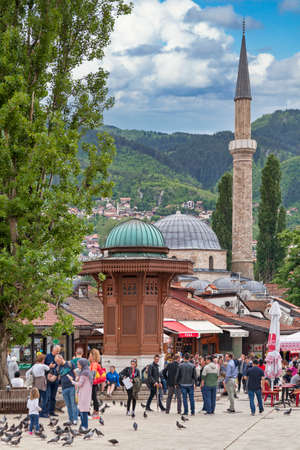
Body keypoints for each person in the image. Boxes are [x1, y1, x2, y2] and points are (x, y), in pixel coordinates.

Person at [68, 358, 93, 431]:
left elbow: (80, 384)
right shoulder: (87, 372)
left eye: (79, 364)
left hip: (83, 394)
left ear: (82, 364)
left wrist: (71, 381)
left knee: (83, 411)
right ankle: (84, 426)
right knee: (84, 410)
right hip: (87, 394)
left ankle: (84, 426)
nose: (77, 365)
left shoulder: (84, 373)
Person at [55, 354, 77, 425]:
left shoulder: (70, 364)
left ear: (61, 358)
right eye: (56, 362)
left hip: (71, 386)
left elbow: (75, 373)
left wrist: (76, 383)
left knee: (73, 403)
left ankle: (75, 419)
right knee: (68, 405)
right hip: (64, 387)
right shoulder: (58, 368)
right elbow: (58, 377)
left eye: (58, 361)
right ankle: (70, 419)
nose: (57, 363)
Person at [26, 353, 50, 417]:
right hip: (42, 382)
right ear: (42, 360)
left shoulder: (34, 366)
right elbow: (48, 368)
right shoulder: (42, 366)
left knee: (36, 398)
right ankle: (42, 412)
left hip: (36, 382)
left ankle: (36, 411)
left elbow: (27, 373)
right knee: (44, 398)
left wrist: (28, 379)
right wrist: (50, 366)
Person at [89, 348, 106, 419]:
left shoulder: (95, 364)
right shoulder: (94, 364)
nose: (89, 356)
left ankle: (96, 411)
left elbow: (94, 374)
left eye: (90, 355)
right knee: (93, 397)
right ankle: (95, 411)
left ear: (93, 356)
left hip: (93, 383)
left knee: (93, 397)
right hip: (93, 383)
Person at [45, 345, 61, 417]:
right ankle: (47, 411)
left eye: (59, 350)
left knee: (53, 397)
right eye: (57, 350)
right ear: (53, 350)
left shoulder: (59, 357)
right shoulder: (47, 356)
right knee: (48, 396)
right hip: (48, 379)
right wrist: (49, 366)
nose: (58, 352)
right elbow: (43, 366)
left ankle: (52, 411)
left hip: (56, 379)